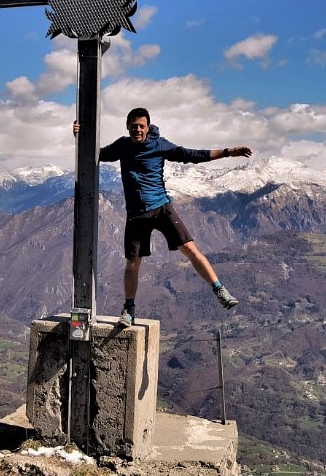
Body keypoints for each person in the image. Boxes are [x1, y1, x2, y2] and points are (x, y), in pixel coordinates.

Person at [73, 107, 253, 329]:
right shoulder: (122, 146)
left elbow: (191, 155)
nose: (137, 129)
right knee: (132, 264)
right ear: (127, 126)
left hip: (161, 209)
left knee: (190, 249)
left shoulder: (160, 145)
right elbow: (94, 154)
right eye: (133, 126)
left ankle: (220, 290)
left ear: (148, 127)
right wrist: (79, 136)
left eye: (141, 126)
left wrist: (228, 152)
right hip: (137, 214)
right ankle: (129, 310)